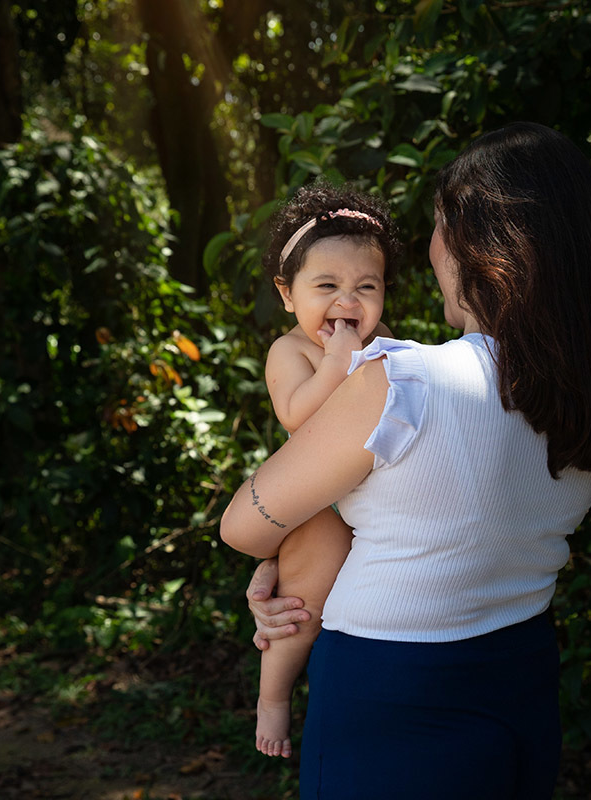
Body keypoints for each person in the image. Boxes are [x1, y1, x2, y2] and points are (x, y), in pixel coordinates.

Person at [220, 122, 591, 798]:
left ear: (477, 246)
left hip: (393, 694)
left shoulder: (405, 381)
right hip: (522, 674)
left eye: (437, 226)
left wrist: (284, 559)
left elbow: (244, 527)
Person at [253, 182, 402, 758]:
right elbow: (296, 416)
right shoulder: (291, 352)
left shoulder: (385, 340)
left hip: (375, 500)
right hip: (315, 502)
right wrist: (337, 363)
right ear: (287, 294)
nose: (348, 301)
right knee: (301, 608)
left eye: (367, 286)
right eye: (327, 286)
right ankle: (274, 695)